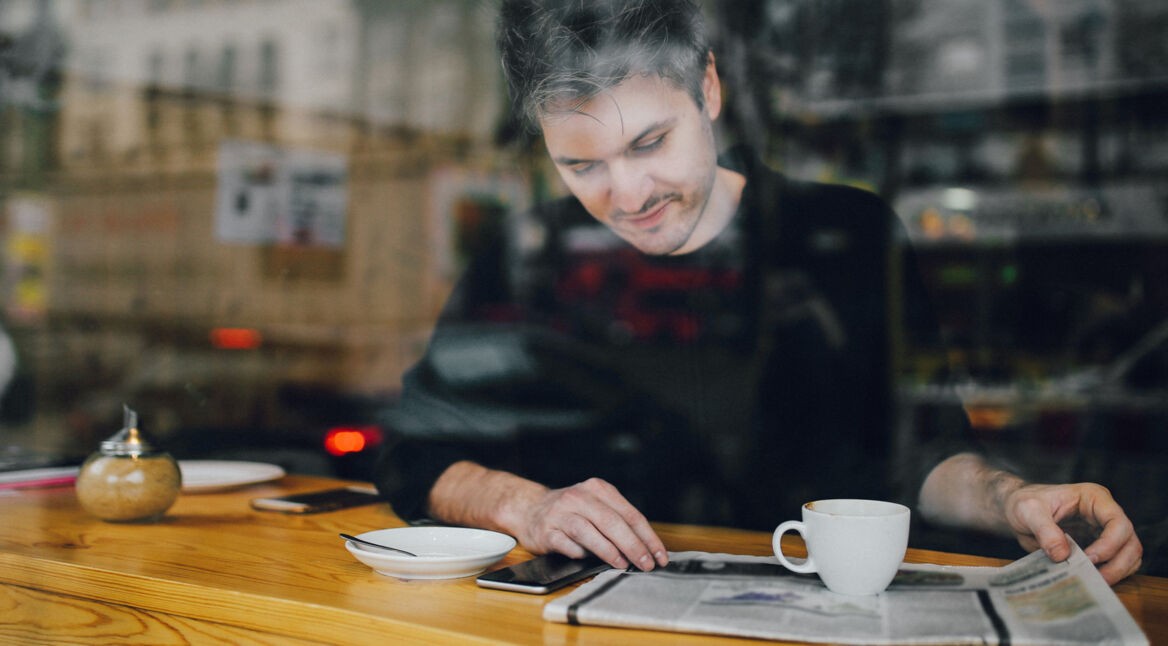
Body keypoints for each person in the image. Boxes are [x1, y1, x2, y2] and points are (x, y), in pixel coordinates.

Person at [374, 0, 1143, 584]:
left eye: (649, 143)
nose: (627, 194)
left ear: (707, 89)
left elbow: (920, 456)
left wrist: (1013, 499)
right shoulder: (522, 260)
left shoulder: (847, 235)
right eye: (583, 166)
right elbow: (414, 454)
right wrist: (526, 505)